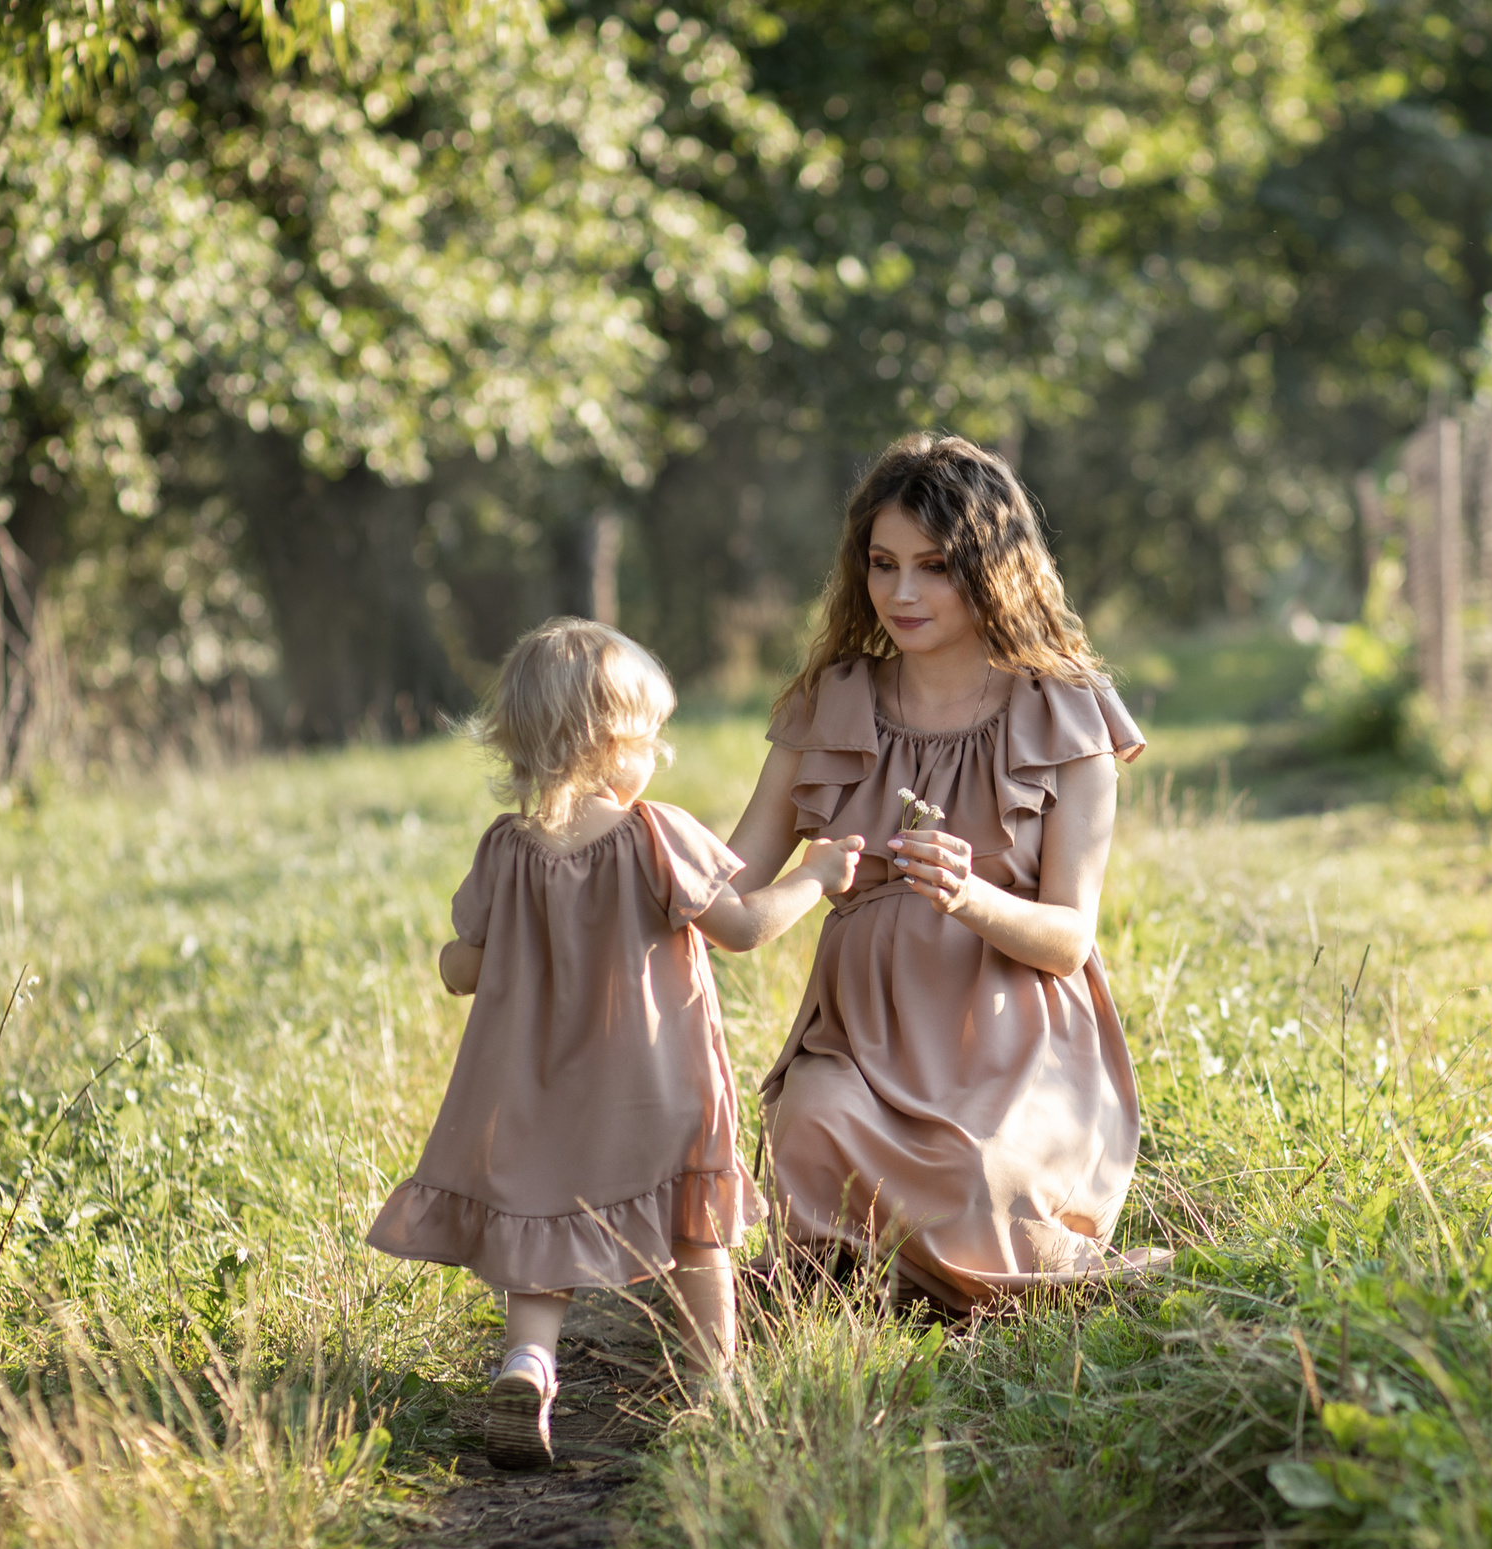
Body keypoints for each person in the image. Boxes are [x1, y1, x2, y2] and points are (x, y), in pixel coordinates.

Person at [367, 618, 863, 1471]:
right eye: (649, 739)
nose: (658, 757)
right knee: (698, 1235)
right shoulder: (653, 835)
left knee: (542, 1235)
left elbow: (465, 965)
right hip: (655, 1087)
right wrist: (813, 878)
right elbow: (739, 927)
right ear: (605, 747)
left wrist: (457, 960)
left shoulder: (507, 850)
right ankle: (713, 1390)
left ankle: (529, 1362)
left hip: (538, 1097)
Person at [728, 433, 1164, 1315]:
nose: (901, 593)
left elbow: (1068, 937)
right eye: (883, 565)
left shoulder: (1063, 711)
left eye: (934, 567)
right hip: (856, 1049)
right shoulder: (831, 702)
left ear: (994, 568)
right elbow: (730, 875)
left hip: (1012, 1050)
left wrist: (969, 894)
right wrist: (614, 843)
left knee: (979, 1172)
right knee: (806, 1118)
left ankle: (931, 1270)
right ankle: (890, 1275)